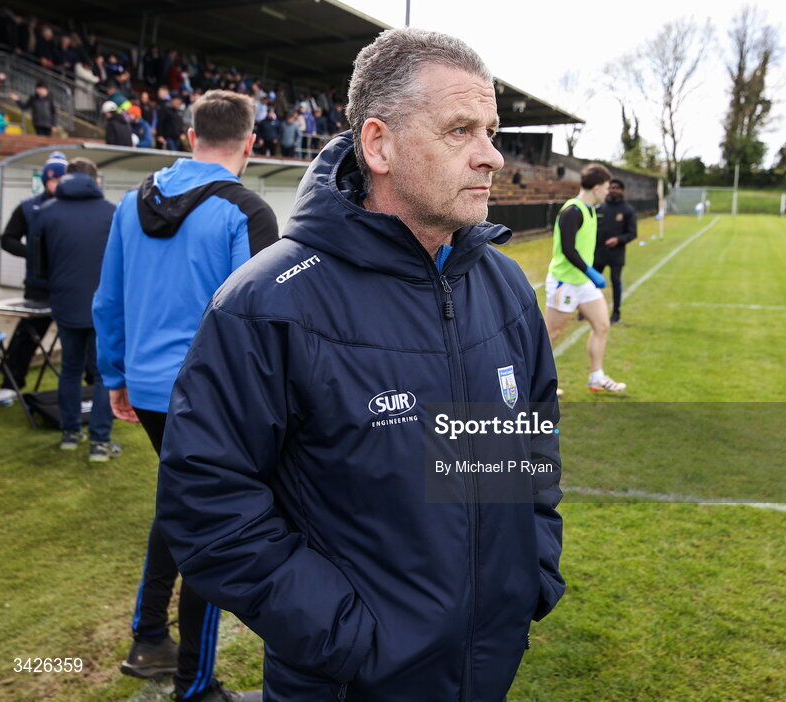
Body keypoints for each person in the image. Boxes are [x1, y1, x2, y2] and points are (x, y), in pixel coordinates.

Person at [153, 28, 564, 701]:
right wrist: (350, 636)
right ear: (379, 145)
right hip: (343, 681)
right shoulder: (267, 302)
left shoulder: (506, 288)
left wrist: (531, 572)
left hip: (487, 667)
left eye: (491, 130)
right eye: (461, 130)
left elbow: (530, 446)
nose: (491, 156)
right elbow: (208, 503)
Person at [93, 89, 278, 702]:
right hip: (211, 399)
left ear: (190, 134)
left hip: (149, 389)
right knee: (214, 526)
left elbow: (109, 298)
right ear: (250, 144)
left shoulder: (131, 201)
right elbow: (256, 328)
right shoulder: (245, 211)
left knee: (180, 503)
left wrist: (115, 376)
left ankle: (149, 637)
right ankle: (196, 684)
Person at [33, 158, 119, 459]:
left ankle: (70, 433)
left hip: (65, 303)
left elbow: (37, 265)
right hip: (103, 306)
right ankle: (100, 441)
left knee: (69, 369)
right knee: (101, 374)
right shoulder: (112, 213)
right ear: (96, 180)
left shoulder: (45, 213)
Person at [544, 163, 627, 393]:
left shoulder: (591, 210)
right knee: (551, 334)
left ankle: (596, 376)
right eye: (607, 187)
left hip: (583, 283)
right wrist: (591, 272)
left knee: (602, 325)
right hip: (565, 282)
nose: (609, 191)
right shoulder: (573, 211)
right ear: (598, 187)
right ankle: (534, 384)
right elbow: (569, 250)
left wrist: (588, 276)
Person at [0, 152, 67, 405]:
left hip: (71, 286)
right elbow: (8, 239)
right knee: (26, 336)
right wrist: (33, 255)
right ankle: (10, 384)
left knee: (83, 338)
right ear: (46, 180)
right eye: (53, 179)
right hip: (38, 286)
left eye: (62, 178)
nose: (57, 184)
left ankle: (92, 388)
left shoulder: (77, 207)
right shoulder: (28, 207)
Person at [594, 178, 637, 324]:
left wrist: (618, 240)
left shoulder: (627, 210)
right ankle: (585, 309)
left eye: (617, 188)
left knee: (615, 282)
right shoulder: (599, 208)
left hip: (616, 254)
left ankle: (616, 312)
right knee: (592, 282)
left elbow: (632, 233)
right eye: (611, 187)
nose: (613, 190)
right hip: (598, 253)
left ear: (622, 190)